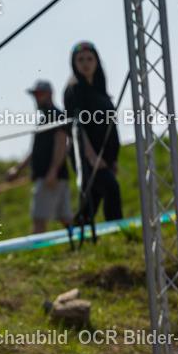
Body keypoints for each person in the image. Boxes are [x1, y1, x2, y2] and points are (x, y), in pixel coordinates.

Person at [63, 41, 122, 223]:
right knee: (111, 189)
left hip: (104, 155)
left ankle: (79, 237)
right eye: (80, 60)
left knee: (91, 201)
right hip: (87, 157)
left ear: (97, 61)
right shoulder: (74, 89)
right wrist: (90, 156)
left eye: (89, 59)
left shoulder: (100, 90)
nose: (86, 63)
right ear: (74, 63)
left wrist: (112, 159)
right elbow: (76, 128)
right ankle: (120, 232)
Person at [6, 79, 73, 234]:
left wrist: (52, 172)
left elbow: (61, 144)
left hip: (50, 177)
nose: (37, 98)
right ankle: (77, 244)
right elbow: (35, 151)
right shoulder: (45, 118)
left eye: (39, 94)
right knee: (65, 217)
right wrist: (17, 169)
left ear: (49, 94)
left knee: (39, 218)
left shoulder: (55, 116)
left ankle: (36, 251)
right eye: (35, 95)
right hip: (54, 177)